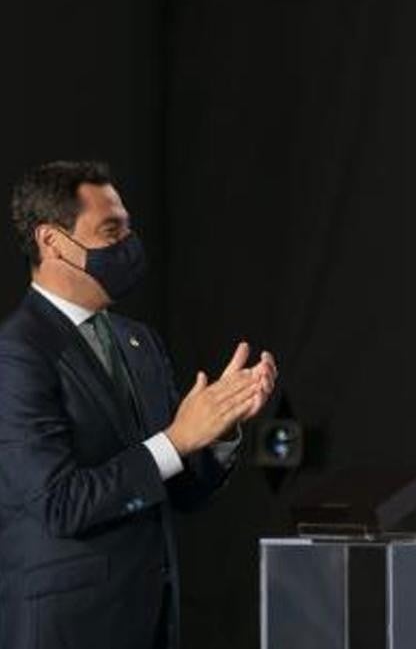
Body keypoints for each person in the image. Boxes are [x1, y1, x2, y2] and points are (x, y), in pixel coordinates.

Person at [0, 161, 277, 649]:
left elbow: (178, 490)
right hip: (70, 629)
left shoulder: (138, 342)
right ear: (53, 241)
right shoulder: (18, 353)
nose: (128, 245)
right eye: (111, 231)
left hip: (151, 621)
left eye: (129, 228)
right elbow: (60, 506)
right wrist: (176, 439)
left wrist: (220, 430)